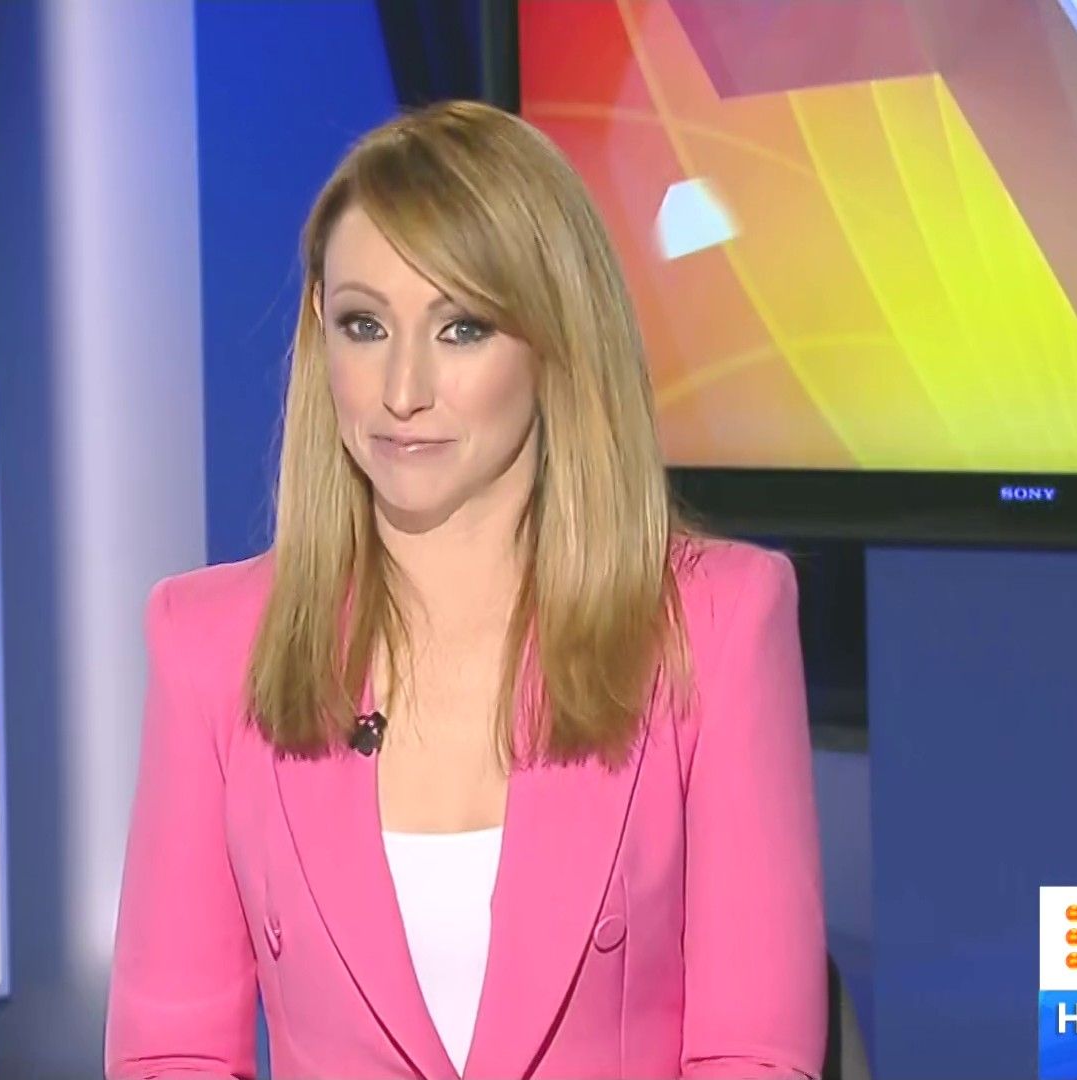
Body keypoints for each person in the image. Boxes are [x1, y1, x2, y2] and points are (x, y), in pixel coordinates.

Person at [105, 100, 825, 1080]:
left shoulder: (718, 624)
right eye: (365, 325)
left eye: (461, 328)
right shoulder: (209, 645)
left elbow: (753, 1057)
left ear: (555, 340)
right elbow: (171, 1054)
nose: (402, 389)